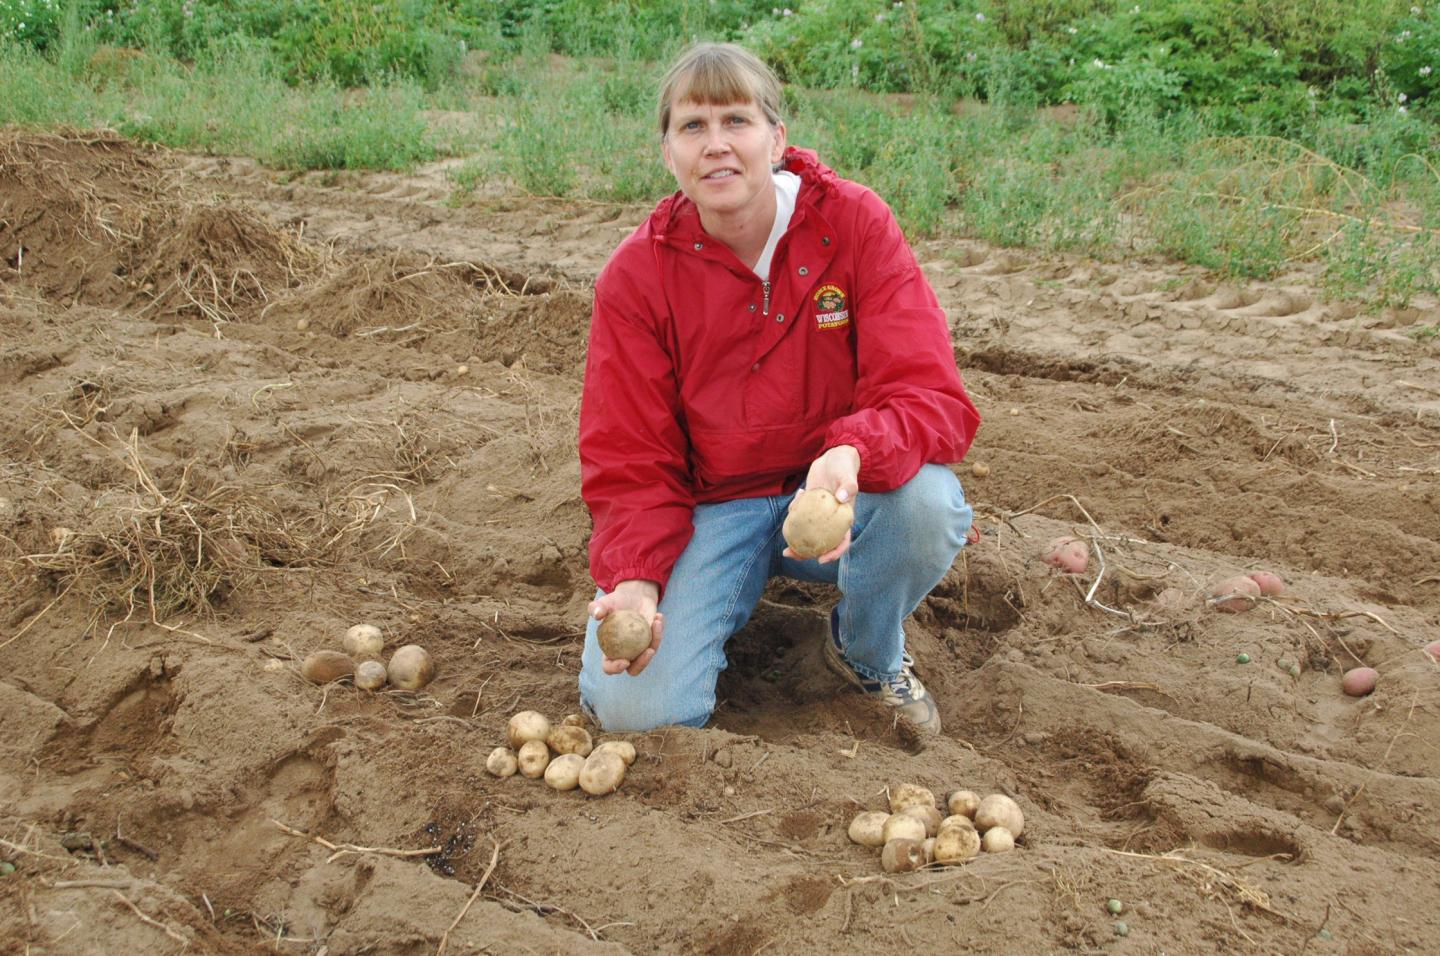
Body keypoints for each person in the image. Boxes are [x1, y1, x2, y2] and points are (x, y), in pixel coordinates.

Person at [576, 42, 980, 735]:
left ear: (778, 138)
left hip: (841, 500)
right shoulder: (637, 276)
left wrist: (852, 449)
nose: (717, 145)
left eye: (737, 120)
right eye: (692, 127)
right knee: (635, 713)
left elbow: (929, 395)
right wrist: (637, 580)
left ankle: (866, 653)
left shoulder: (852, 225)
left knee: (927, 504)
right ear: (666, 151)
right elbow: (629, 454)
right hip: (715, 507)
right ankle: (710, 593)